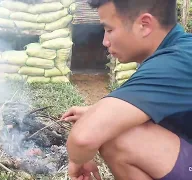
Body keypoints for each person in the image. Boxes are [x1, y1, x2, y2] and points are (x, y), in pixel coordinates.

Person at [61, 0, 192, 179]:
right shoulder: (177, 52)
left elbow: (83, 138)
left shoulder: (177, 62)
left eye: (109, 30)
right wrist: (93, 112)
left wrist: (78, 160)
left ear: (144, 25)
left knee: (117, 136)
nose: (105, 41)